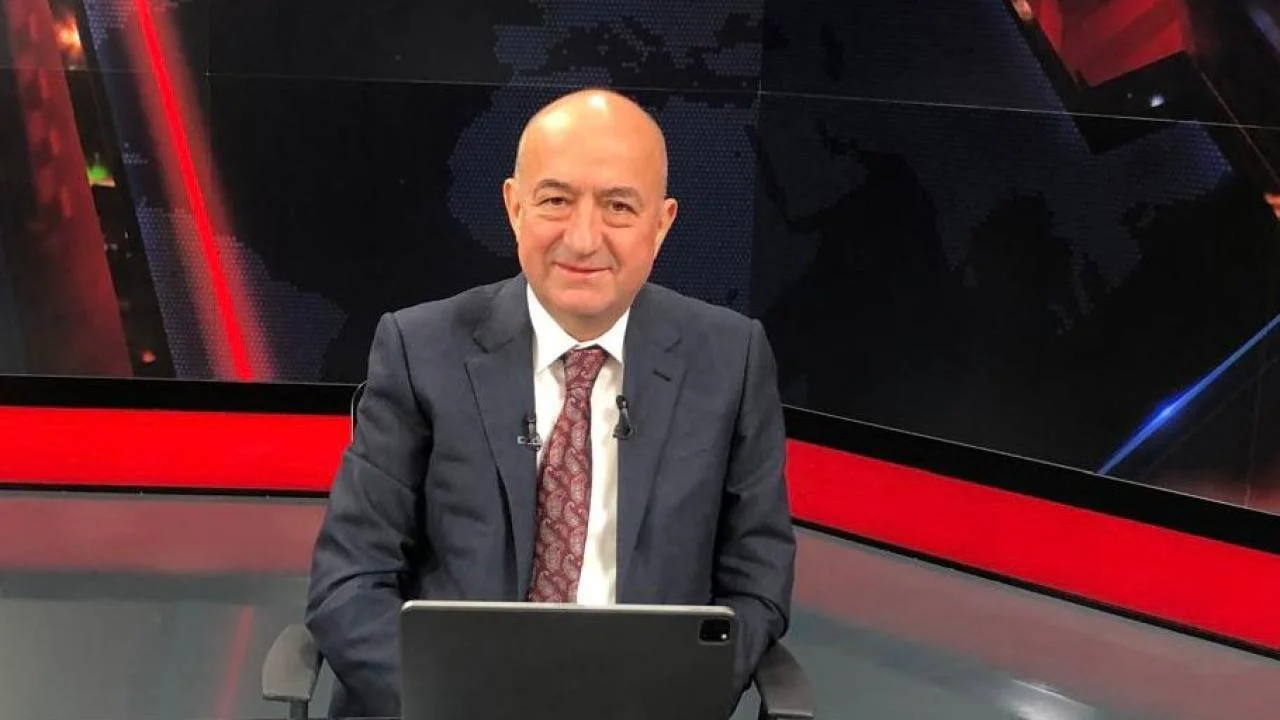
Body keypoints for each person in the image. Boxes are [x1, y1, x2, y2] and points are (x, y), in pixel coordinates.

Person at [305, 87, 796, 718]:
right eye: (556, 200)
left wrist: (674, 697)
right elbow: (349, 583)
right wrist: (452, 706)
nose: (583, 239)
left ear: (662, 223)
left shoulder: (731, 359)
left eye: (619, 206)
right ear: (515, 207)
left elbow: (757, 583)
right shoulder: (418, 349)